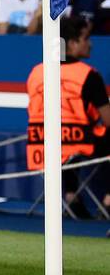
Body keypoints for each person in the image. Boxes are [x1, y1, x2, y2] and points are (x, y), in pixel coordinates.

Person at [25, 17, 110, 215]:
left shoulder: (36, 72)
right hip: (76, 145)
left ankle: (71, 194)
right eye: (86, 38)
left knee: (70, 145)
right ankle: (108, 198)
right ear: (71, 44)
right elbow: (108, 120)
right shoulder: (88, 75)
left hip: (40, 144)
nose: (90, 43)